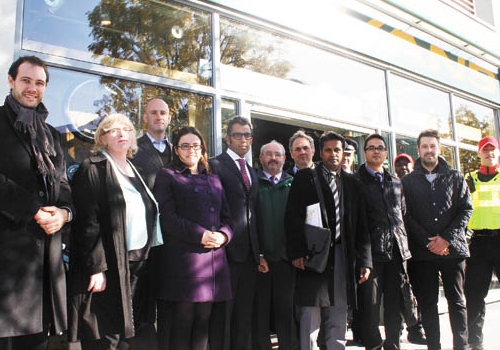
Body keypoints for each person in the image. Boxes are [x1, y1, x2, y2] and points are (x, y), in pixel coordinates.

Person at [68, 113, 163, 350]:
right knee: (107, 334)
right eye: (114, 130)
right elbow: (87, 222)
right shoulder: (94, 167)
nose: (122, 133)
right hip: (110, 266)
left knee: (133, 334)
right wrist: (96, 268)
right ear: (102, 138)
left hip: (139, 264)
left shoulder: (136, 168)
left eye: (127, 129)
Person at [0, 55, 74, 350]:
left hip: (44, 269)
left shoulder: (53, 135)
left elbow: (65, 186)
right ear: (11, 81)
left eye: (39, 83)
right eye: (26, 80)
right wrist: (33, 209)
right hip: (8, 268)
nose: (33, 88)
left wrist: (65, 213)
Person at [285, 131, 372, 350]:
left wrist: (365, 261)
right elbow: (292, 218)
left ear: (344, 153)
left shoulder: (354, 183)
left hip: (344, 255)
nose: (333, 154)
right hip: (313, 255)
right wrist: (297, 252)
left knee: (339, 310)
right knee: (309, 312)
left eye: (337, 150)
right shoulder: (305, 178)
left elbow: (362, 226)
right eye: (328, 150)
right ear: (320, 153)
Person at [153, 126, 233, 350]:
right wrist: (202, 235)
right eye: (185, 146)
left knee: (203, 323)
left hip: (214, 260)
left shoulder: (214, 179)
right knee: (182, 322)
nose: (191, 150)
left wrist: (223, 236)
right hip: (185, 261)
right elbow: (166, 217)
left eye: (195, 145)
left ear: (203, 149)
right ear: (176, 150)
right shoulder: (167, 175)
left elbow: (228, 217)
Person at [402, 129, 472, 350]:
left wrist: (446, 239)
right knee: (428, 303)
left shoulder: (455, 176)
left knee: (457, 301)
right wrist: (428, 241)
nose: (429, 150)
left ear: (439, 148)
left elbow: (465, 210)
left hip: (453, 250)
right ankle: (434, 346)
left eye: (432, 146)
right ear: (419, 149)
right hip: (422, 253)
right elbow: (405, 215)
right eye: (424, 146)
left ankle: (461, 345)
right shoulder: (408, 181)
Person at [209, 116, 268, 350]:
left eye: (247, 135)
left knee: (244, 315)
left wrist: (260, 252)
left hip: (250, 256)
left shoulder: (252, 171)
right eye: (238, 135)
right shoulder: (215, 165)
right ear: (228, 138)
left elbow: (253, 213)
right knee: (223, 314)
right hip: (226, 253)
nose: (243, 139)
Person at [355, 134, 412, 350]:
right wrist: (362, 258)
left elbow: (402, 214)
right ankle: (373, 345)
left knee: (394, 304)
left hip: (396, 253)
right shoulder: (356, 182)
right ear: (365, 152)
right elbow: (356, 221)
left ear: (386, 153)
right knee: (370, 306)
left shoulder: (395, 182)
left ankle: (393, 345)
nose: (376, 151)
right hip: (371, 254)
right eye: (371, 148)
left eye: (380, 147)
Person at [252, 140, 298, 350]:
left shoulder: (293, 184)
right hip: (259, 260)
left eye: (277, 154)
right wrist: (257, 253)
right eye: (268, 154)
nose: (273, 158)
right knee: (260, 312)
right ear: (261, 158)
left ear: (284, 158)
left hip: (286, 260)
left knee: (286, 311)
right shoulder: (252, 183)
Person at [464, 136, 500, 350]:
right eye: (485, 150)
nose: (489, 153)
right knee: (474, 295)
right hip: (478, 242)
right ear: (479, 154)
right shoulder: (470, 179)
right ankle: (475, 343)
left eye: (493, 150)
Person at [394, 153, 427, 345]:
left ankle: (417, 328)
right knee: (400, 290)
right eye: (399, 164)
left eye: (406, 164)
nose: (403, 167)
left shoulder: (418, 187)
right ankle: (400, 327)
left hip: (418, 247)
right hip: (399, 249)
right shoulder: (390, 185)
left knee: (418, 291)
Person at [131, 98, 172, 190]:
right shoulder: (132, 149)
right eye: (153, 113)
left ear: (169, 119)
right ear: (145, 118)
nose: (159, 117)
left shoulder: (177, 151)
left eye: (163, 113)